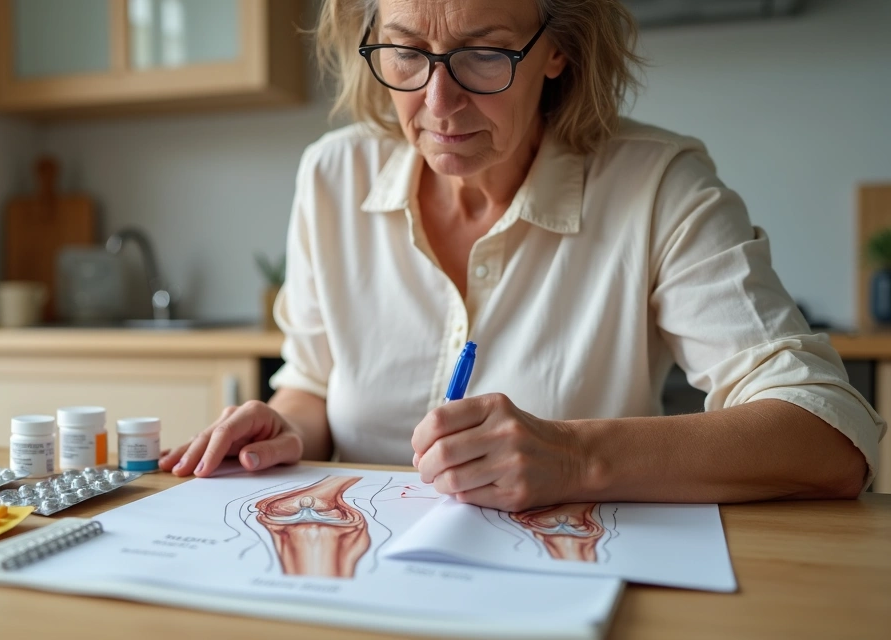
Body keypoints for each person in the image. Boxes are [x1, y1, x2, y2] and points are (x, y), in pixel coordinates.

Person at [161, 0, 885, 511]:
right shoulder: (331, 175)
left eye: (482, 54)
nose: (439, 103)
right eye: (408, 52)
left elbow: (828, 436)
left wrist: (576, 458)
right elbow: (315, 382)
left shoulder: (655, 186)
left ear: (557, 49)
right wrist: (288, 425)